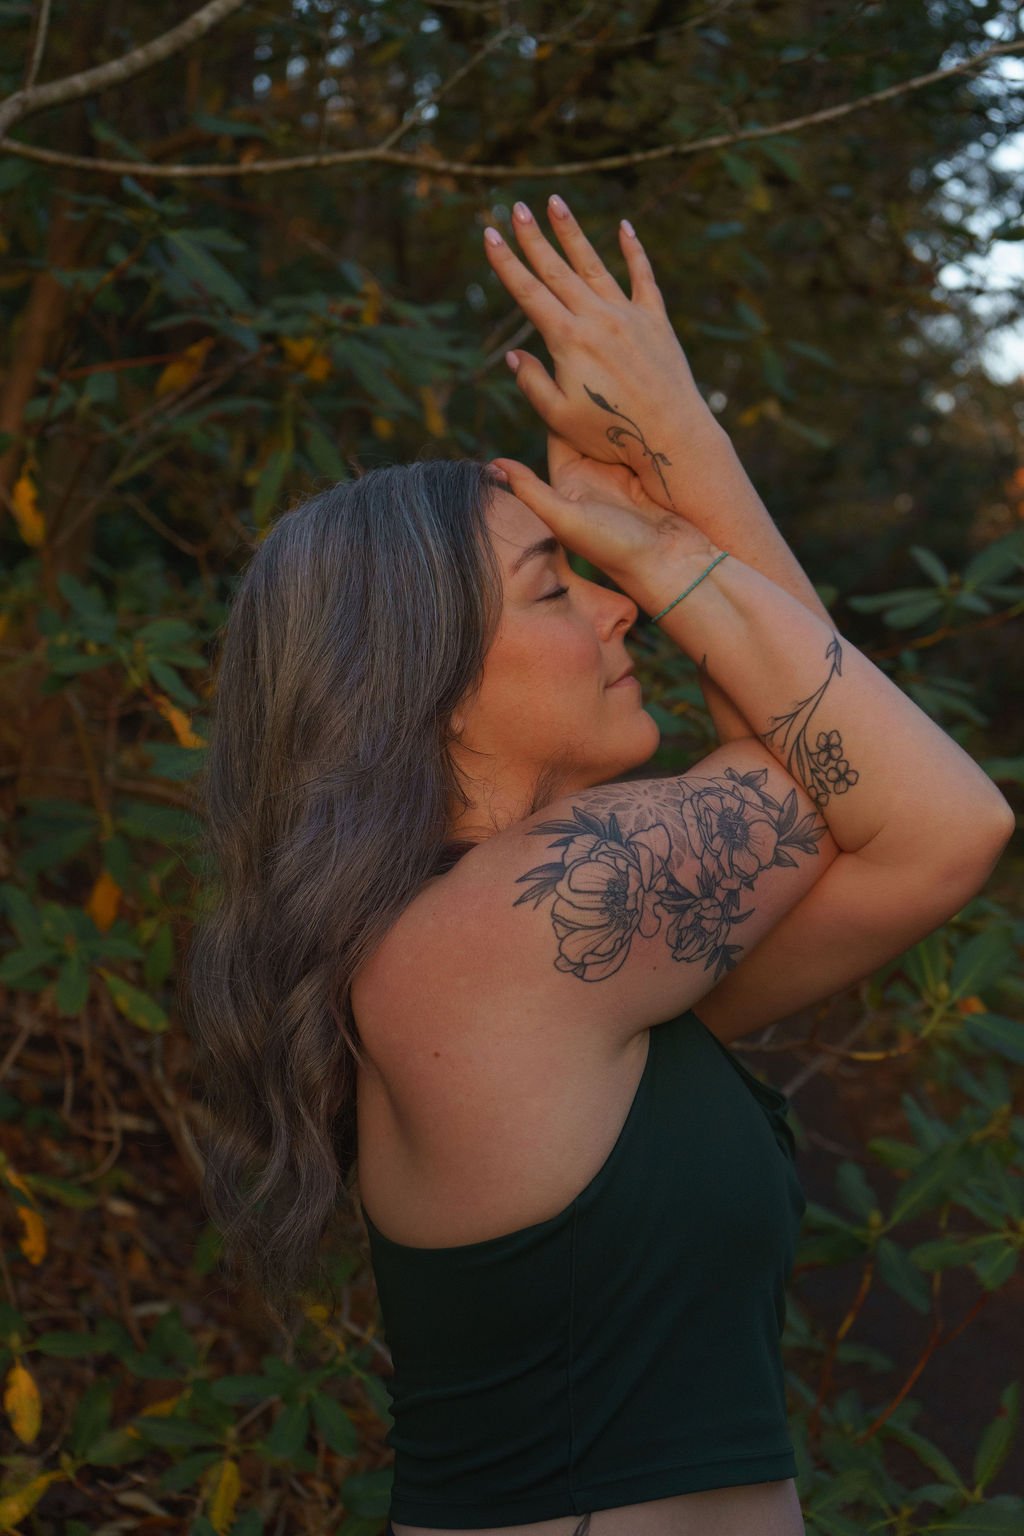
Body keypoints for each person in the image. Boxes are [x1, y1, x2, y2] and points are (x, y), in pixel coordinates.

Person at [185, 199, 1014, 1536]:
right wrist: (680, 484)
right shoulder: (501, 937)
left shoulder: (541, 957)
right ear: (434, 685)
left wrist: (688, 470)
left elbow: (838, 768)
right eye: (562, 585)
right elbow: (932, 815)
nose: (622, 596)